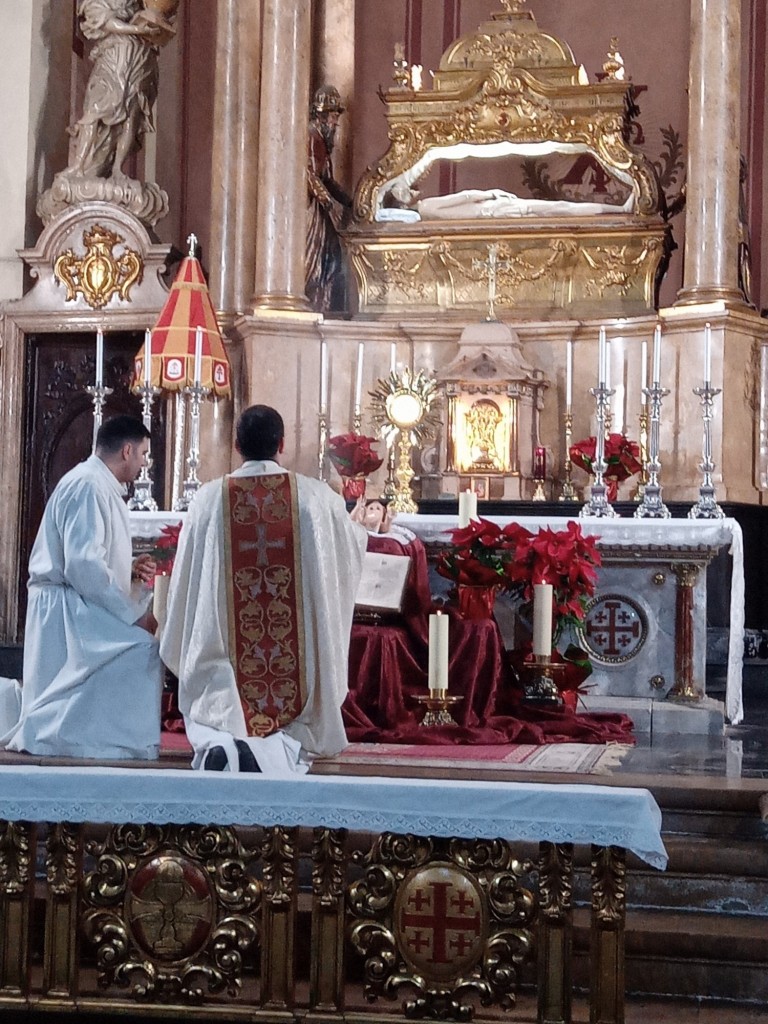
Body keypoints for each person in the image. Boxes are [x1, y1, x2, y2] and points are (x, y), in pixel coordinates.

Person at [160, 405, 367, 774]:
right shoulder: (315, 498)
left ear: (237, 445)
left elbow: (186, 581)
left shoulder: (208, 499)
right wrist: (362, 530)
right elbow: (345, 552)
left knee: (218, 710)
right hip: (298, 682)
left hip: (224, 678)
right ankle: (275, 748)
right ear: (282, 444)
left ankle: (226, 743)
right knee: (295, 728)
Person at [0, 416, 163, 760]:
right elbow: (83, 565)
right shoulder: (88, 485)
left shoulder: (97, 483)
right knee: (141, 647)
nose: (144, 463)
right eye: (143, 454)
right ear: (127, 450)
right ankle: (91, 740)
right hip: (68, 605)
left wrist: (129, 569)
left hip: (75, 599)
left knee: (139, 644)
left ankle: (90, 737)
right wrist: (133, 614)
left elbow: (88, 556)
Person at [61, 0, 176, 181]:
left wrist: (157, 22)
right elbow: (103, 20)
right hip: (113, 57)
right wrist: (138, 29)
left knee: (131, 116)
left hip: (139, 59)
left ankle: (117, 169)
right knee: (94, 112)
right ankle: (79, 166)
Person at [305, 85, 352, 312]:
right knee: (315, 262)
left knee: (331, 259)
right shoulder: (312, 137)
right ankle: (314, 304)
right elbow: (309, 175)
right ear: (321, 116)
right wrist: (329, 202)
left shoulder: (323, 140)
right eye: (333, 117)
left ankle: (324, 306)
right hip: (312, 211)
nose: (335, 123)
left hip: (323, 212)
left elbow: (328, 179)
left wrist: (349, 202)